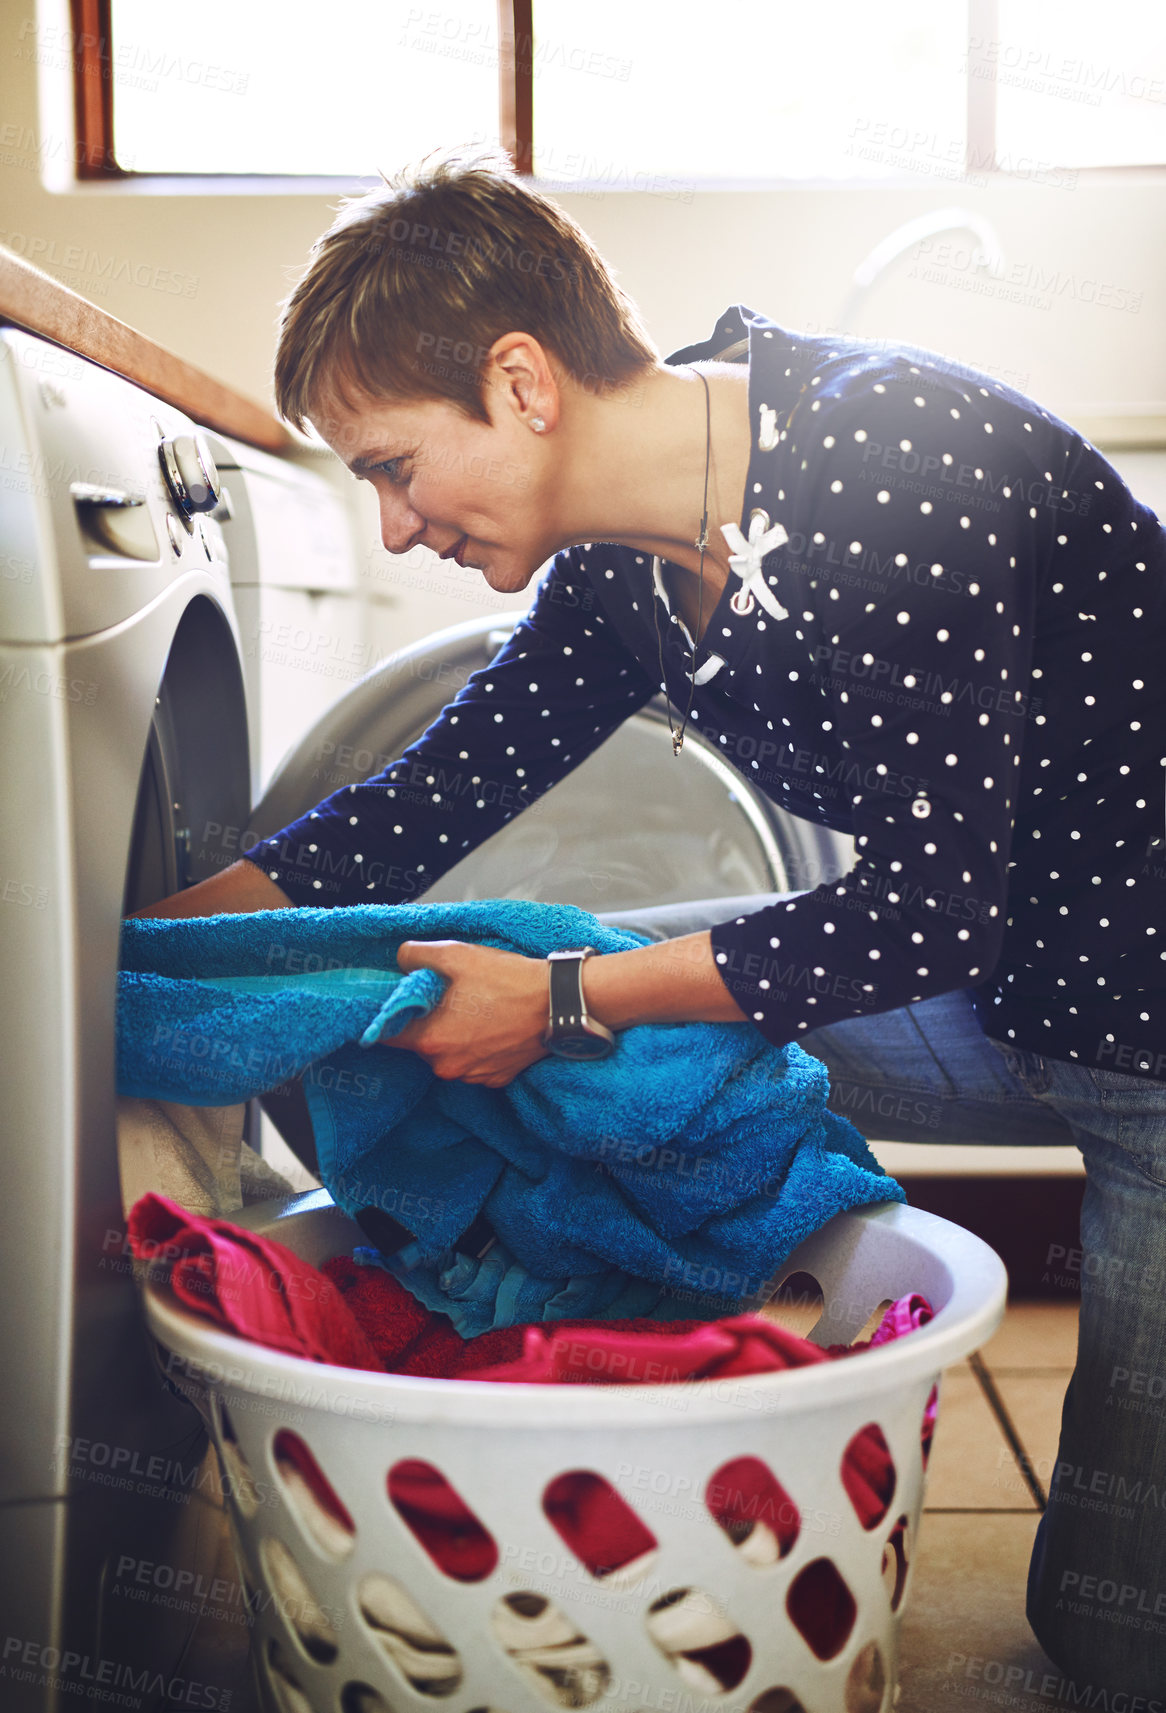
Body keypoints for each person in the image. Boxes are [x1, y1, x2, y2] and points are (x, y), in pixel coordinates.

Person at [140, 147, 1166, 1695]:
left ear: (521, 381)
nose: (398, 526)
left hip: (1140, 1035)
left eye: (394, 466)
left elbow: (920, 915)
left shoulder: (893, 469)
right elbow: (417, 803)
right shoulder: (624, 575)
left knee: (1110, 1625)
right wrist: (136, 966)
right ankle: (612, 1343)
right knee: (434, 987)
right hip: (1004, 994)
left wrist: (562, 1000)